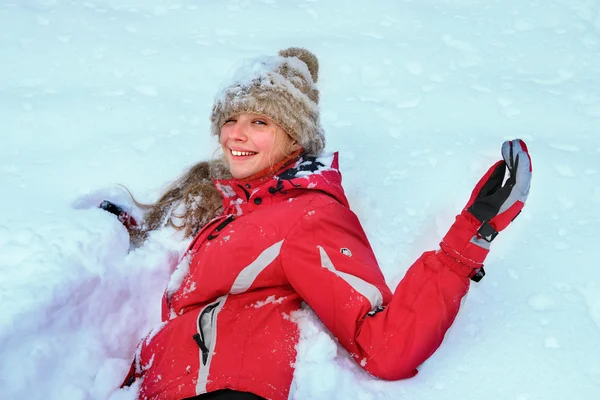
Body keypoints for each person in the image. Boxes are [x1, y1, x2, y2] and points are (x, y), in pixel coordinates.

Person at [106, 47, 532, 400]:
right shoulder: (241, 203)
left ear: (294, 136)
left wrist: (466, 243)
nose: (235, 134)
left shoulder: (308, 214)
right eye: (230, 120)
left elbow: (384, 346)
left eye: (259, 122)